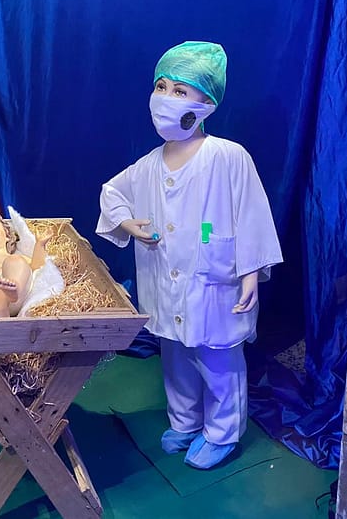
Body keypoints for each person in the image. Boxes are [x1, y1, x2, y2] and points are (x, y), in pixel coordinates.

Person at [96, 41, 283, 470]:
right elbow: (112, 193)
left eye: (180, 90)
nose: (166, 98)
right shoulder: (149, 164)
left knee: (218, 361)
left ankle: (222, 434)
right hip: (165, 283)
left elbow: (252, 214)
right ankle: (184, 422)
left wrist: (251, 273)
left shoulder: (228, 158)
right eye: (161, 87)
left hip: (214, 284)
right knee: (176, 357)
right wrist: (128, 224)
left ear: (206, 104)